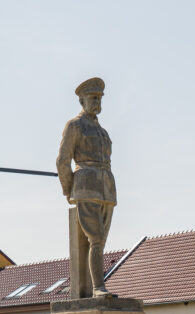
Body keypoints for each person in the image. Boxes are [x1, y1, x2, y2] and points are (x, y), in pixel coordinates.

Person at [56, 77, 116, 297]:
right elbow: (63, 161)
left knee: (101, 241)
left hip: (107, 189)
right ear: (82, 100)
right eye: (93, 97)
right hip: (86, 186)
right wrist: (69, 189)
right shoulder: (75, 125)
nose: (97, 102)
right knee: (96, 239)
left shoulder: (102, 131)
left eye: (99, 98)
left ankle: (98, 287)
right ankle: (97, 288)